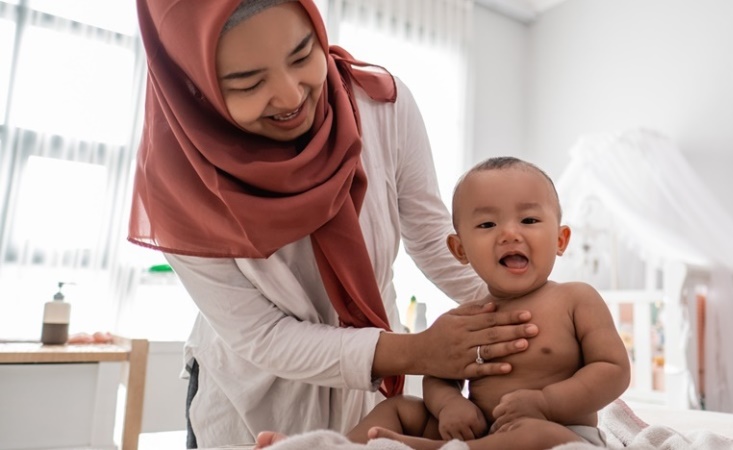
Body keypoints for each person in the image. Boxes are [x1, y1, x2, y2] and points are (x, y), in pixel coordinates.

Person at [129, 1, 538, 448]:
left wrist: (535, 310)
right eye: (249, 82)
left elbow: (432, 238)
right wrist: (418, 351)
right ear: (195, 86)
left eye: (304, 55)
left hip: (365, 396)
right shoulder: (178, 187)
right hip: (254, 399)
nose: (290, 96)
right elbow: (263, 336)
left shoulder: (382, 106)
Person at [256, 157, 632, 449]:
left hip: (561, 433)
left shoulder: (575, 299)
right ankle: (332, 447)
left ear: (561, 239)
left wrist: (547, 403)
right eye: (487, 225)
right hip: (477, 430)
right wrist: (450, 405)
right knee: (400, 408)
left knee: (536, 436)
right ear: (460, 249)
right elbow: (438, 375)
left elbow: (613, 368)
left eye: (530, 219)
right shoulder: (465, 319)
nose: (509, 234)